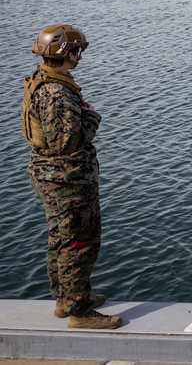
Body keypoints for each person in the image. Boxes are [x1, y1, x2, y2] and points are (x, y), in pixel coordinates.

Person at [20, 24, 122, 330]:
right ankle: (80, 312)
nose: (80, 56)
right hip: (67, 181)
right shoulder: (56, 92)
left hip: (53, 178)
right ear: (68, 53)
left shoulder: (43, 80)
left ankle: (66, 300)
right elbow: (67, 142)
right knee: (78, 243)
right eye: (77, 51)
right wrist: (91, 117)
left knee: (61, 239)